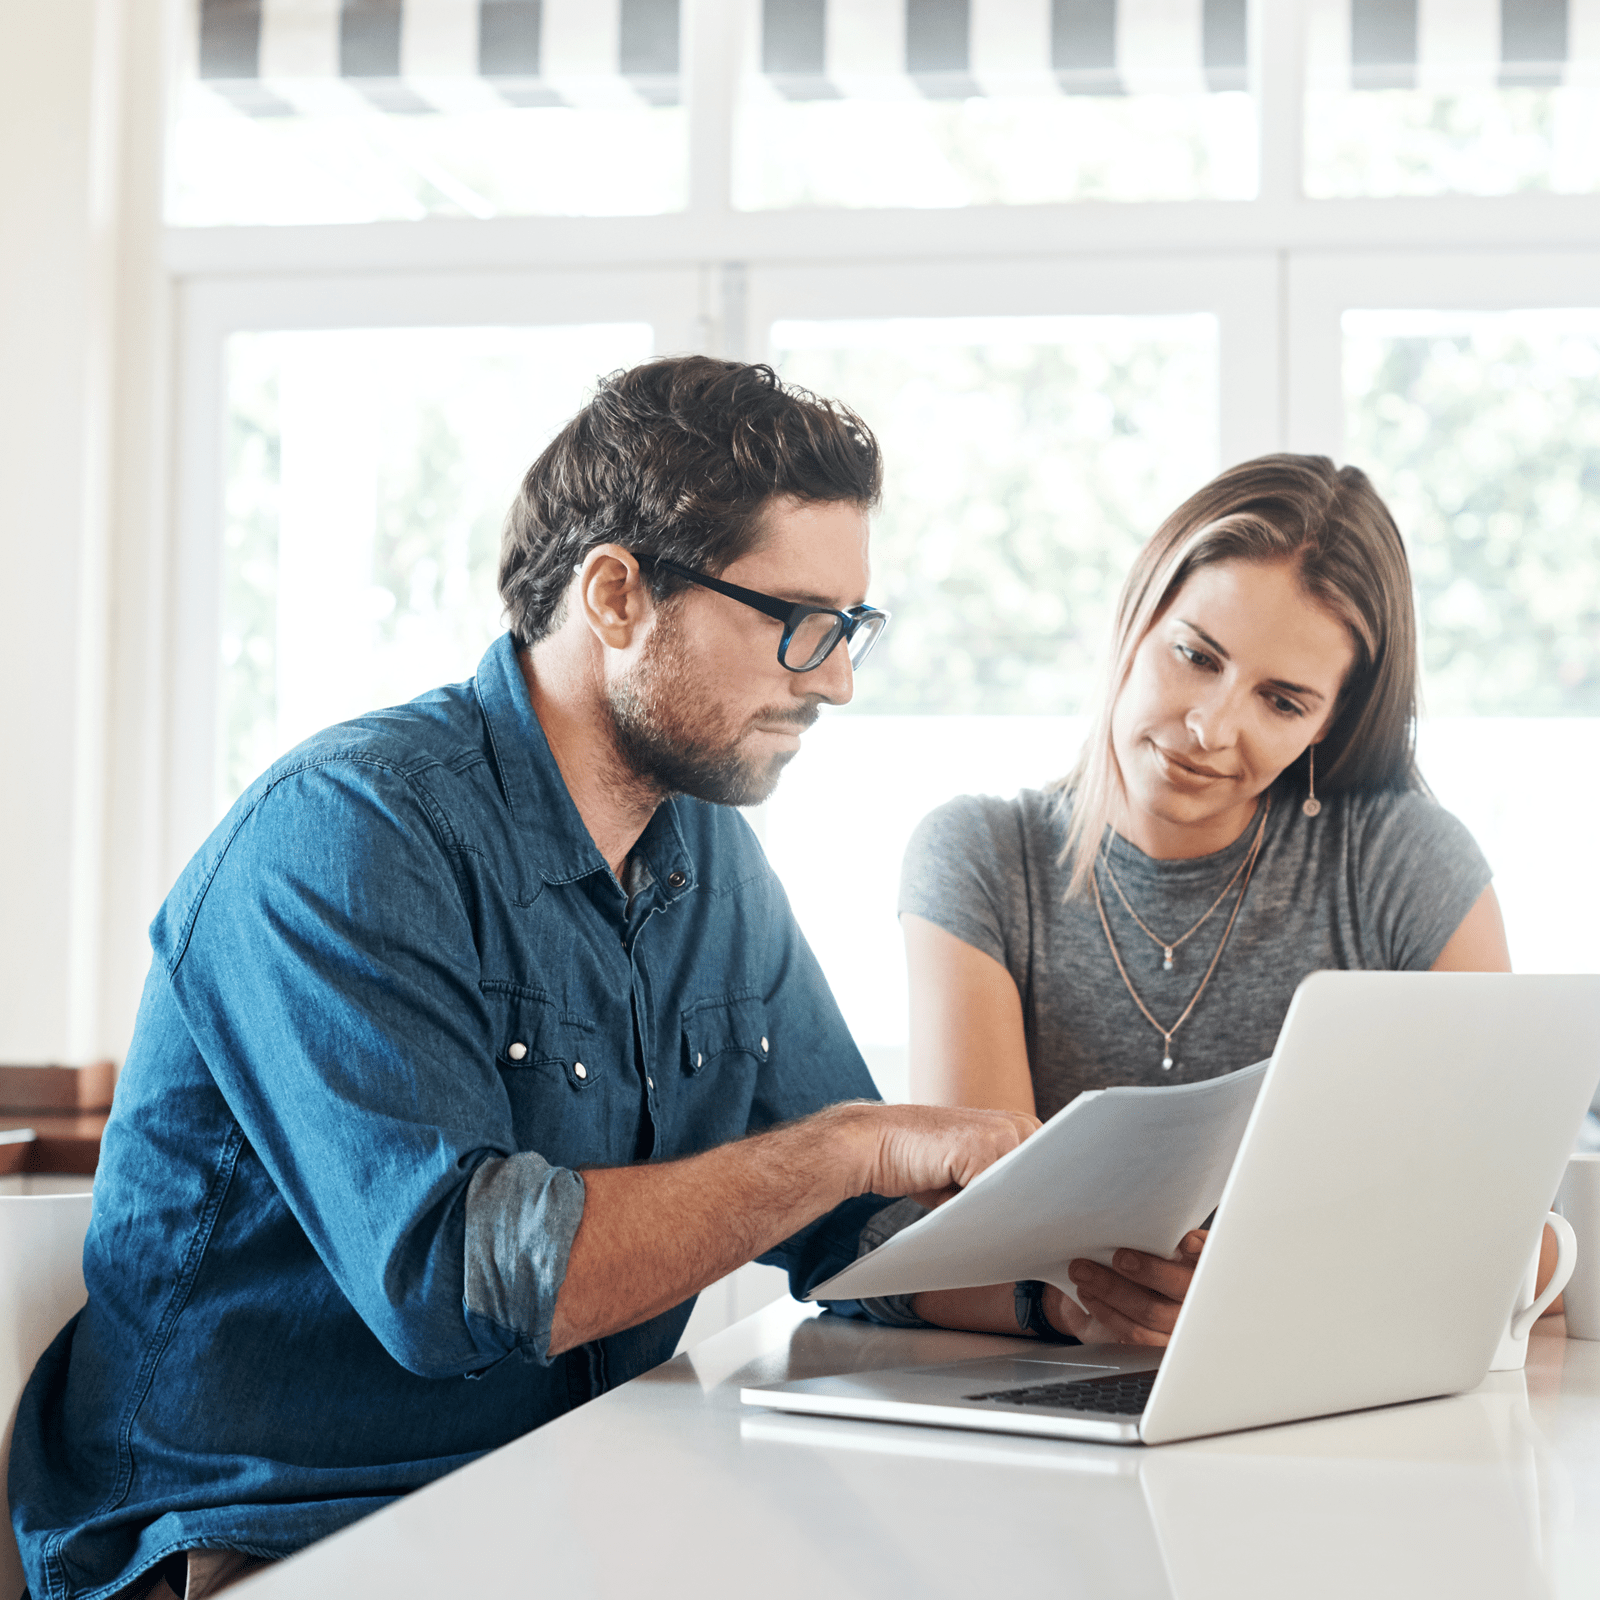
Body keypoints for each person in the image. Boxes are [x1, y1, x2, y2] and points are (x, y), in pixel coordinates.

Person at [12, 358, 1065, 1600]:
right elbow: (461, 1284)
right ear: (616, 592)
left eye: (851, 628)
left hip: (561, 1502)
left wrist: (1068, 1301)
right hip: (271, 1536)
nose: (833, 677)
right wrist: (848, 1147)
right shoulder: (346, 830)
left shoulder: (707, 852)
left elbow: (849, 1226)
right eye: (797, 621)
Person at [897, 454, 1514, 1346]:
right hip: (1063, 1397)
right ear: (1136, 615)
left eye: (1283, 700)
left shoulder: (1402, 862)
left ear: (1329, 723)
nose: (1211, 728)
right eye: (1195, 655)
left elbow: (1510, 1227)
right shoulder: (982, 858)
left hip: (1327, 1380)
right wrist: (1092, 1309)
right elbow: (978, 1236)